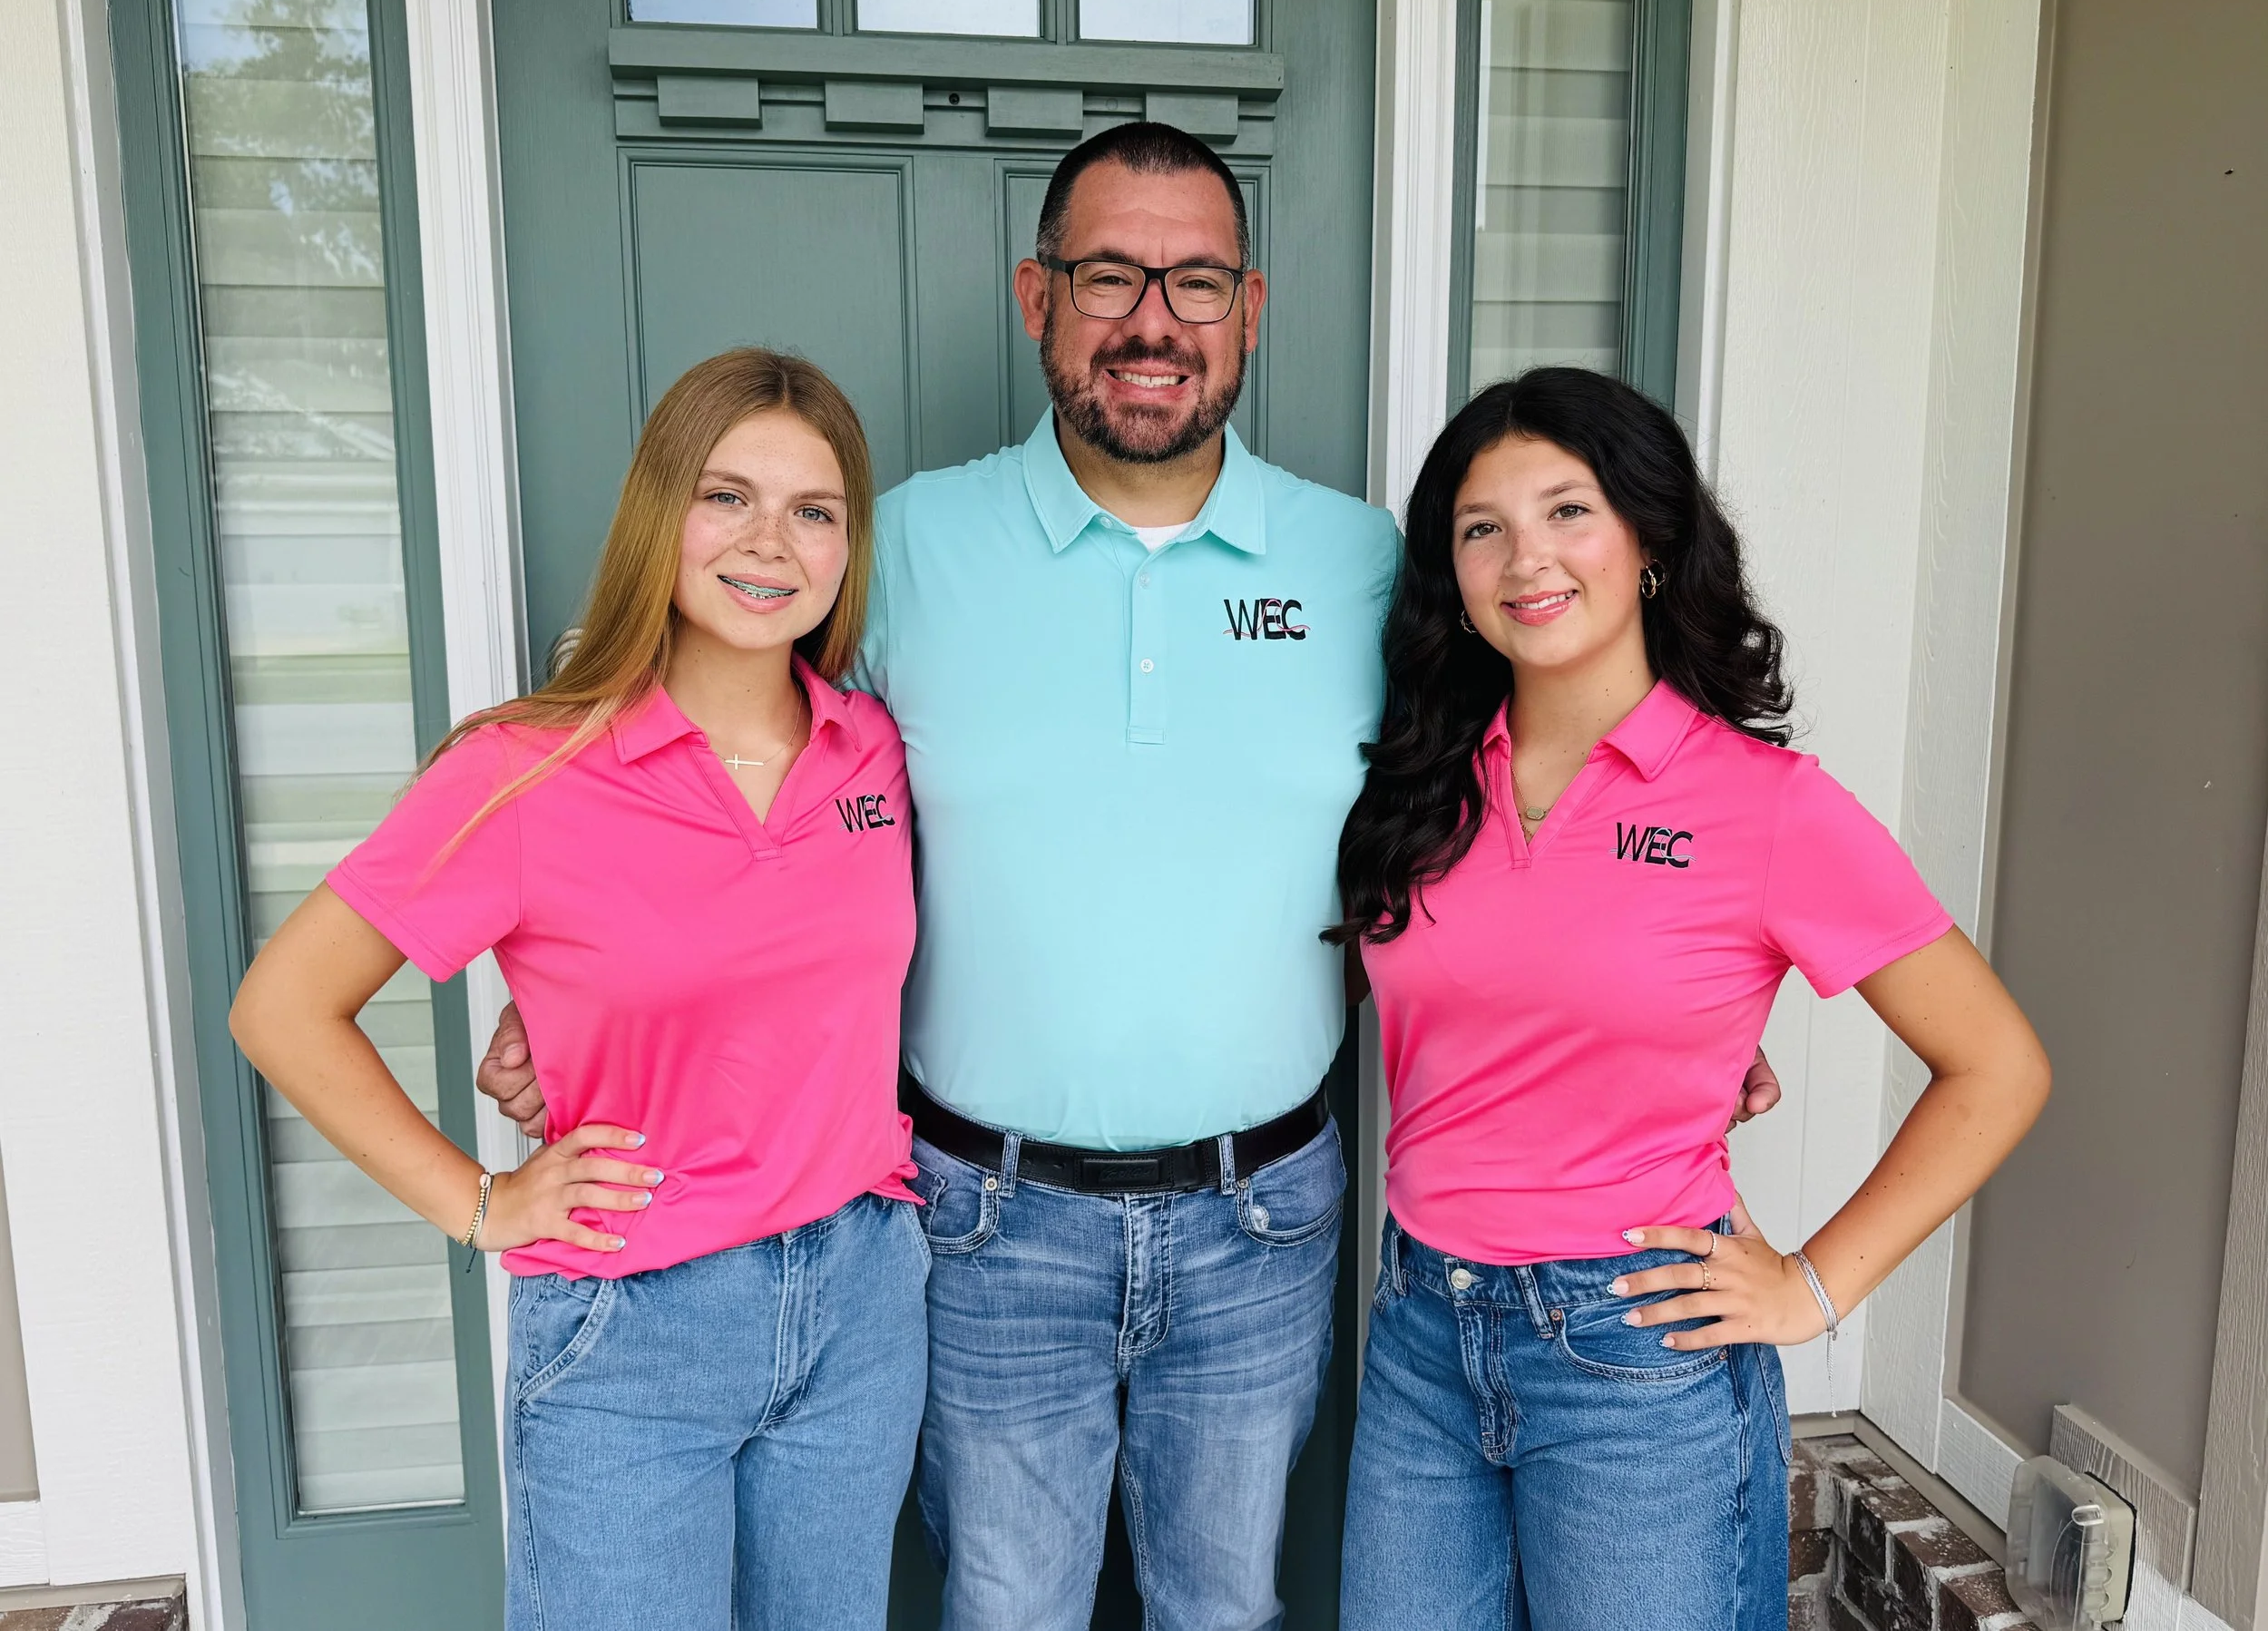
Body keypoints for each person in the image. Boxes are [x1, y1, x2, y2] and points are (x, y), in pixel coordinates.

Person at [477, 123, 1784, 1629]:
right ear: (1038, 296)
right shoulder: (893, 548)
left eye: (1196, 281)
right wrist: (576, 998)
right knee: (1010, 1607)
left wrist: (1677, 1021)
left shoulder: (1369, 565)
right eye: (1109, 276)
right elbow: (716, 750)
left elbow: (1528, 784)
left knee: (1225, 1606)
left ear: (1251, 309)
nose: (1152, 320)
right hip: (982, 1216)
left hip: (1267, 1221)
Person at [1331, 367, 2052, 1631]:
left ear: (1651, 541)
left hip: (1635, 1360)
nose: (1525, 558)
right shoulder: (1424, 778)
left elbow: (1998, 1063)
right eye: (1481, 527)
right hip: (1421, 1337)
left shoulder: (1764, 806)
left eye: (1569, 511)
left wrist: (1814, 1285)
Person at [230, 350, 927, 1631]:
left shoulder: (873, 744)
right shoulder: (524, 772)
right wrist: (482, 1200)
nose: (769, 540)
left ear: (847, 546)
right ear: (660, 515)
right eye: (727, 496)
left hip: (863, 1302)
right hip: (633, 1321)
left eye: (813, 510)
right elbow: (280, 1006)